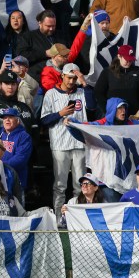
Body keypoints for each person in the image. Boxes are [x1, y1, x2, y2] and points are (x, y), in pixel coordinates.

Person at [41, 63, 89, 222]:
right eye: (69, 77)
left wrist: (83, 82)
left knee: (79, 185)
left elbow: (94, 106)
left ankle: (79, 218)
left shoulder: (82, 92)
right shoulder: (51, 94)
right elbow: (44, 120)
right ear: (62, 76)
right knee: (60, 185)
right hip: (60, 144)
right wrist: (59, 114)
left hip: (80, 143)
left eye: (74, 78)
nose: (71, 81)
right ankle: (58, 218)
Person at [94, 44, 139, 118]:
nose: (129, 62)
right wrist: (107, 109)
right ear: (119, 56)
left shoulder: (138, 71)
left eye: (131, 60)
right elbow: (98, 92)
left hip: (132, 115)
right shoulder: (108, 72)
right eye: (127, 59)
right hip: (112, 114)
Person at [0, 108, 33, 198]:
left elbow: (21, 159)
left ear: (18, 120)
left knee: (17, 209)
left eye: (10, 117)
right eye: (4, 117)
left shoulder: (24, 136)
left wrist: (1, 165)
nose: (7, 120)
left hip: (16, 181)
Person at [19, 10, 66, 84]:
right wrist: (45, 53)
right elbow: (22, 55)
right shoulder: (28, 36)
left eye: (53, 26)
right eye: (48, 26)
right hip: (37, 78)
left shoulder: (62, 35)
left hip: (60, 78)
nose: (51, 29)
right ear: (40, 23)